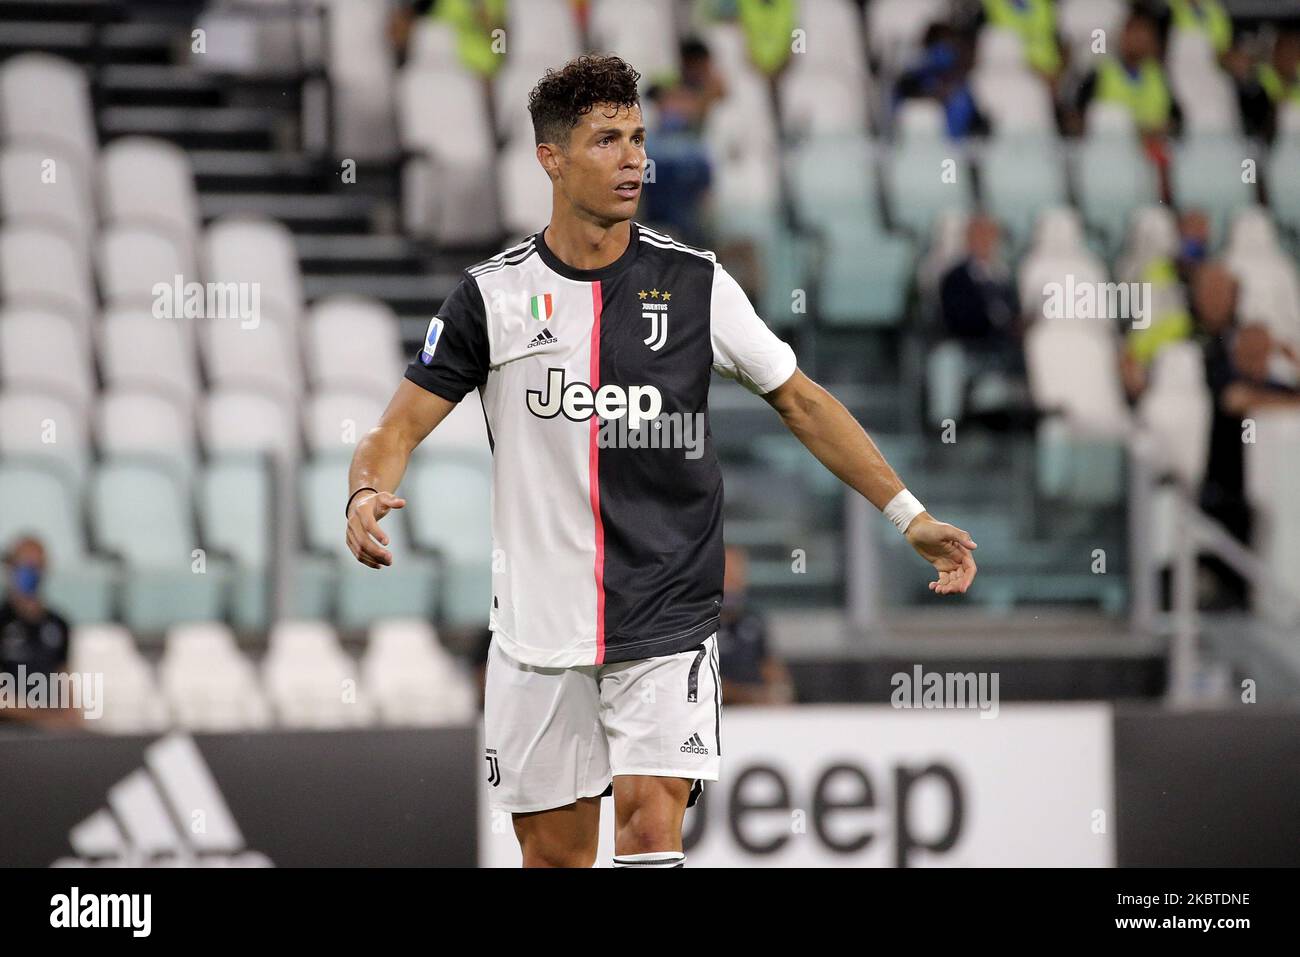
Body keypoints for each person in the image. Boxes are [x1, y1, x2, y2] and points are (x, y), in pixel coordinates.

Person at [345, 55, 977, 868]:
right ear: (551, 158)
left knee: (649, 829)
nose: (635, 158)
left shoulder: (696, 285)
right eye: (607, 140)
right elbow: (394, 430)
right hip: (539, 629)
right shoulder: (491, 301)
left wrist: (909, 515)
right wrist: (365, 491)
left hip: (667, 616)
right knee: (556, 859)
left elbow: (802, 399)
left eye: (639, 137)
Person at [0, 536, 80, 730]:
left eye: (37, 566)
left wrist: (70, 716)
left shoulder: (58, 624)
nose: (31, 574)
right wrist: (42, 717)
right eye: (24, 566)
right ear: (10, 568)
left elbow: (64, 678)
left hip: (47, 734)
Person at [716, 546, 794, 705]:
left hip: (755, 712)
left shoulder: (753, 620)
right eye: (727, 573)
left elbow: (771, 666)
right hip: (720, 711)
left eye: (737, 572)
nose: (733, 580)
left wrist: (780, 690)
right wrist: (746, 695)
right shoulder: (699, 623)